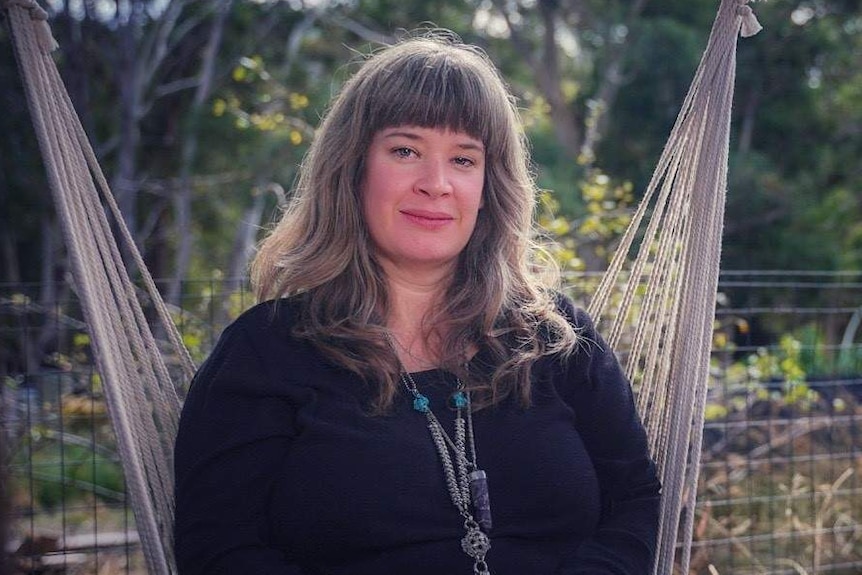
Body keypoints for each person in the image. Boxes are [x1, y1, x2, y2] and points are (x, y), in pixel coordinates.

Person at [173, 31, 660, 575]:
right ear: (353, 168)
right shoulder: (266, 353)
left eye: (463, 159)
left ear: (489, 185)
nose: (437, 184)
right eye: (405, 150)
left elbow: (634, 501)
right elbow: (220, 551)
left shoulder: (556, 339)